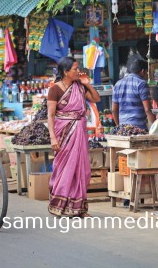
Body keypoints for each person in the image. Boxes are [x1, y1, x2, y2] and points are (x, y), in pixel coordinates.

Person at [47, 57, 101, 217]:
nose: (78, 71)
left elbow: (96, 99)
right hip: (63, 133)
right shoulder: (55, 89)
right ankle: (60, 205)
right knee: (64, 168)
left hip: (80, 132)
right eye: (75, 69)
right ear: (65, 72)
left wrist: (86, 83)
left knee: (81, 169)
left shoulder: (79, 86)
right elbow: (50, 115)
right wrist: (52, 138)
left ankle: (79, 209)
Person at [112, 58, 156, 129]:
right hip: (138, 127)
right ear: (143, 71)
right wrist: (157, 125)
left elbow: (114, 110)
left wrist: (118, 126)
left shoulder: (118, 84)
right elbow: (147, 109)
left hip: (123, 128)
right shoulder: (141, 84)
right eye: (146, 72)